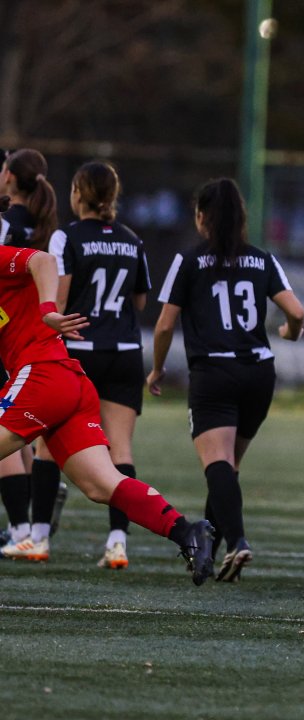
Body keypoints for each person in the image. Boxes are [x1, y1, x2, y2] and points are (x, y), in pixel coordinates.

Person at [0, 241, 214, 582]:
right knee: (102, 485)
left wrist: (47, 311)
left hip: (43, 376)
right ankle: (186, 531)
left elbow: (42, 260)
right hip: (67, 382)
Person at [148, 178, 304, 582]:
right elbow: (298, 313)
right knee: (227, 467)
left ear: (202, 217)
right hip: (258, 372)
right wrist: (290, 333)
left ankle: (237, 542)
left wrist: (158, 367)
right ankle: (213, 553)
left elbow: (164, 325)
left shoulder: (190, 260)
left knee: (217, 463)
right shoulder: (263, 259)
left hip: (214, 372)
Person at [47, 161, 153, 569]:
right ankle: (117, 541)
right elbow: (141, 300)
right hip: (125, 350)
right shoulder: (131, 239)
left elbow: (58, 301)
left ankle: (35, 535)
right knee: (120, 448)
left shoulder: (67, 236)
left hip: (80, 348)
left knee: (45, 444)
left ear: (78, 192)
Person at [0, 148, 66, 559]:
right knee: (20, 434)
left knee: (9, 429)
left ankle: (20, 525)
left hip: (12, 334)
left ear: (10, 177)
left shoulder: (7, 226)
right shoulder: (47, 224)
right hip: (37, 341)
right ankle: (23, 523)